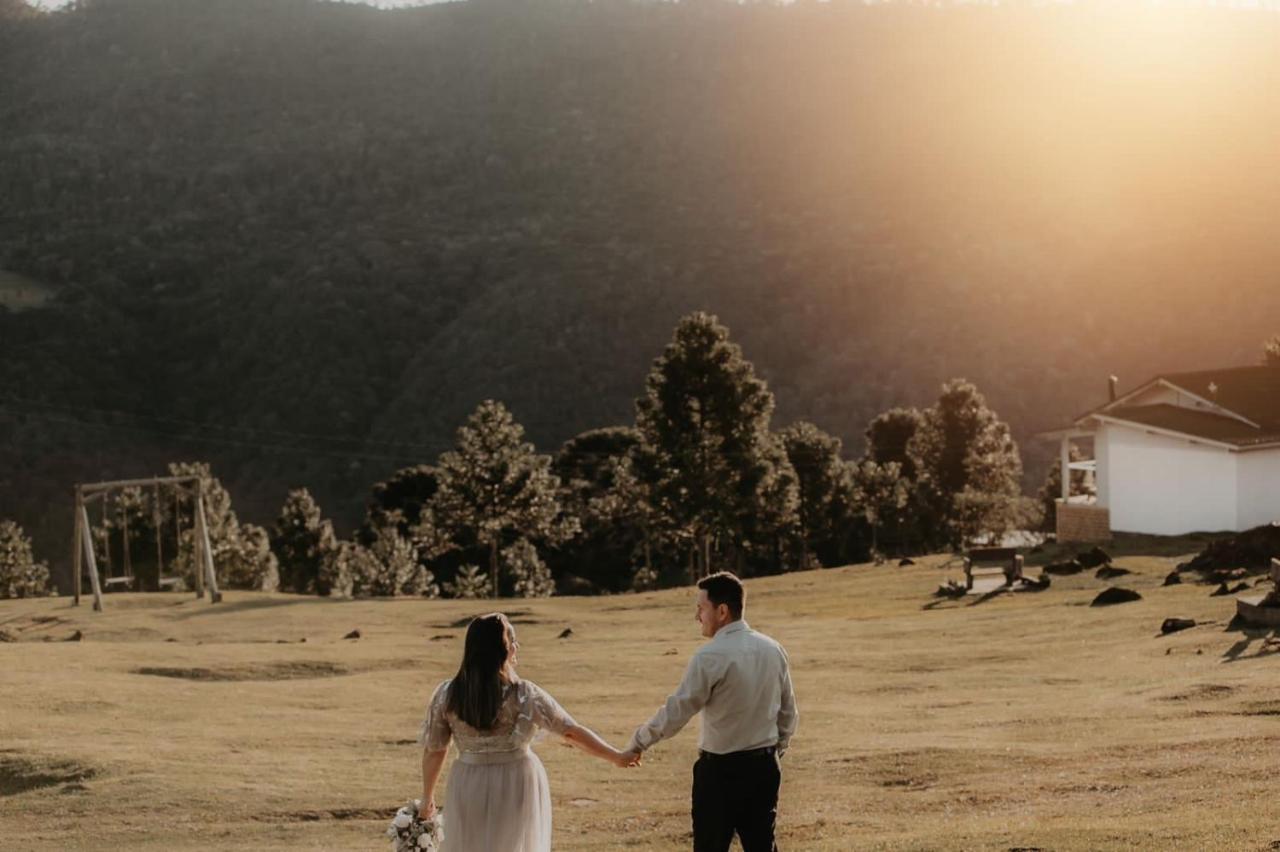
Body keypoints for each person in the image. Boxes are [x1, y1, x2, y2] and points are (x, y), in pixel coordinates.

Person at [417, 612, 633, 851]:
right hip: (517, 779)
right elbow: (570, 732)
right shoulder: (524, 694)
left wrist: (427, 798)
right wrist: (616, 756)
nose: (517, 646)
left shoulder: (447, 694)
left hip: (468, 780)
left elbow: (435, 749)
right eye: (512, 640)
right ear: (502, 649)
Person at [622, 571, 798, 852]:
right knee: (762, 845)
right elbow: (788, 712)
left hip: (720, 773)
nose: (697, 616)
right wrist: (776, 751)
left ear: (722, 611)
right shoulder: (773, 649)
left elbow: (678, 710)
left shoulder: (710, 656)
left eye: (701, 608)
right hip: (764, 767)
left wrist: (639, 741)